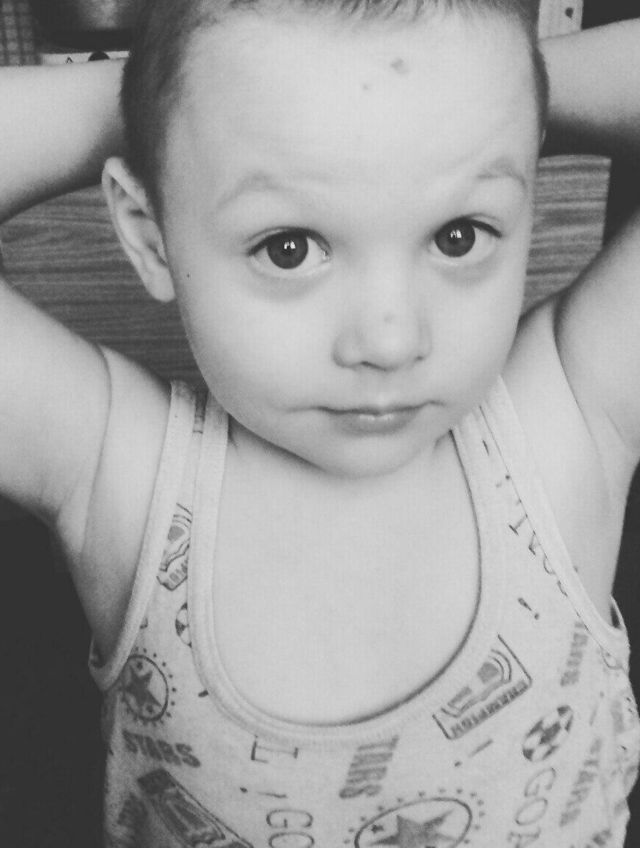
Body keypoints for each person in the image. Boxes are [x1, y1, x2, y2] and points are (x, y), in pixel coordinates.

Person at [1, 0, 639, 844]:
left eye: (458, 234)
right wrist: (165, 98)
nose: (389, 340)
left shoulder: (570, 417)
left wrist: (508, 91)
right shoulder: (118, 471)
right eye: (290, 247)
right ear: (152, 238)